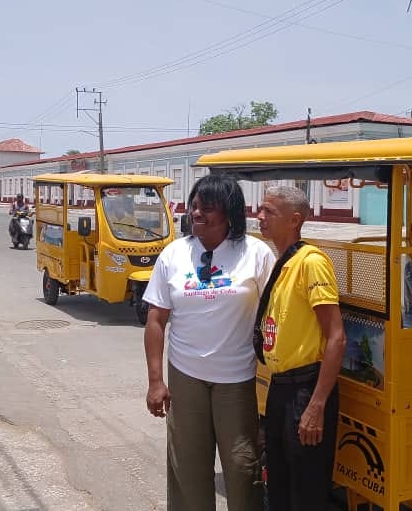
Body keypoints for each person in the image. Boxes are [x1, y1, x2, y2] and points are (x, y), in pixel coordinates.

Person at [142, 174, 275, 511]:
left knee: (242, 467)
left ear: (229, 212)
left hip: (238, 379)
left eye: (207, 207)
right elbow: (156, 321)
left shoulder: (256, 254)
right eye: (195, 205)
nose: (196, 213)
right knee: (187, 467)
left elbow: (277, 313)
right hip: (186, 377)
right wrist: (156, 381)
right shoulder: (174, 254)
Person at [254, 186, 345, 510]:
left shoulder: (311, 262)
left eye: (269, 212)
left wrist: (316, 405)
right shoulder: (283, 263)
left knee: (306, 489)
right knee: (278, 483)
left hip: (306, 389)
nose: (259, 217)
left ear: (294, 220)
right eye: (260, 209)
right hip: (282, 387)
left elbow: (336, 337)